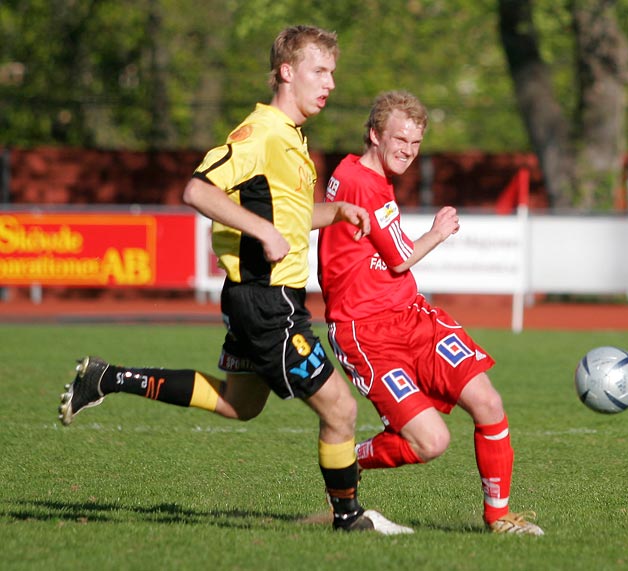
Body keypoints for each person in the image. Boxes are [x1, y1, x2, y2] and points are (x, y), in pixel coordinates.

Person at [58, 26, 412, 536]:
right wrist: (261, 229)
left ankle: (106, 377)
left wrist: (333, 212)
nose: (330, 83)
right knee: (339, 407)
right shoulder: (261, 132)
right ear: (287, 72)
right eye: (320, 71)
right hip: (269, 302)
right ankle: (349, 519)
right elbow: (197, 190)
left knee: (239, 403)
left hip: (260, 298)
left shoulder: (291, 138)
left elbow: (282, 218)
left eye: (332, 72)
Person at [317, 90, 544, 535]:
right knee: (432, 442)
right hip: (365, 332)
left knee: (488, 401)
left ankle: (499, 518)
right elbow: (400, 257)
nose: (407, 150)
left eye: (416, 143)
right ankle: (351, 461)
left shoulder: (356, 171)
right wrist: (439, 232)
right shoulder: (362, 183)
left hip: (413, 316)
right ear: (374, 135)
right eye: (400, 140)